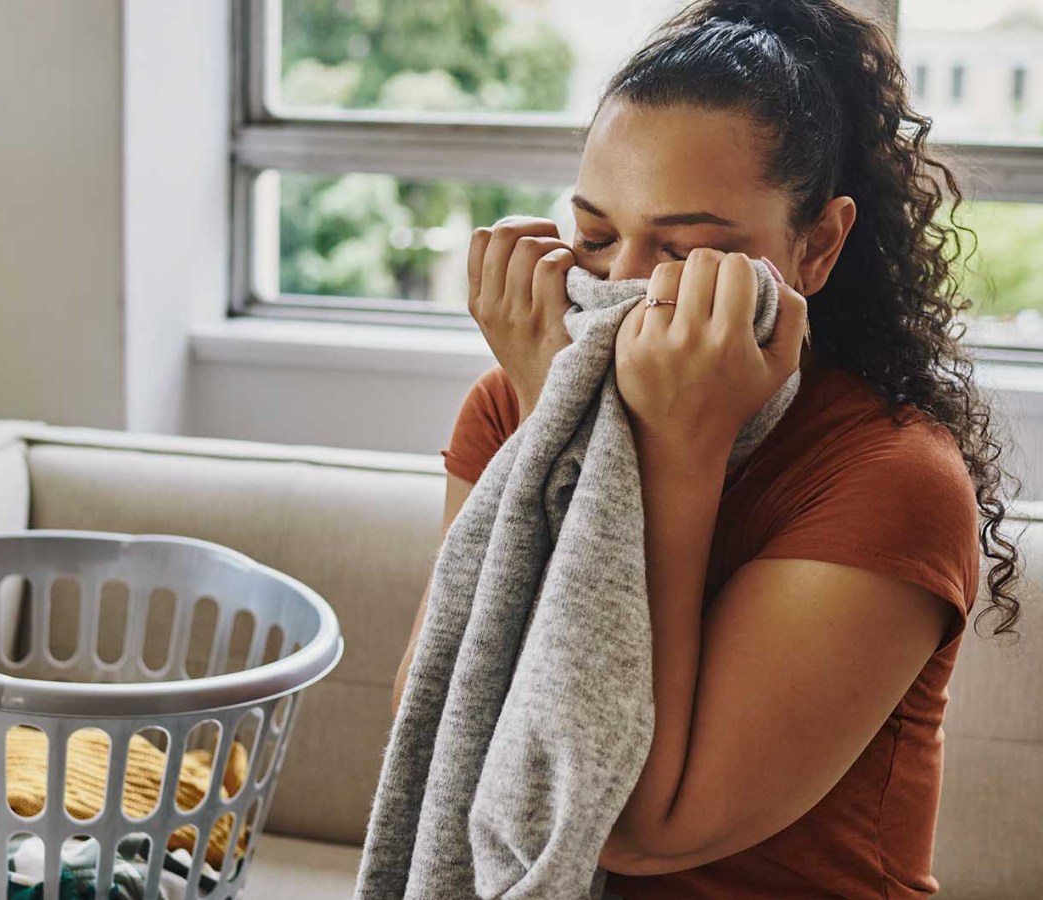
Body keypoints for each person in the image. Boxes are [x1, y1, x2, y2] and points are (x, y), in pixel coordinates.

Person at [401, 0, 1026, 896]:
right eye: (595, 236)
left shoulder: (893, 482)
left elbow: (634, 824)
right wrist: (561, 425)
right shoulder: (515, 402)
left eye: (683, 249)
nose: (617, 288)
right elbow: (440, 736)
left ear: (816, 249)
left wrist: (668, 456)